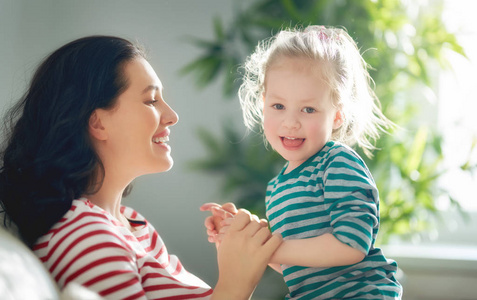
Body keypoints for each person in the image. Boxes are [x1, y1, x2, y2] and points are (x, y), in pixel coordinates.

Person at [0, 35, 282, 300]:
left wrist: (239, 254)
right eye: (151, 100)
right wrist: (236, 282)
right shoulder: (89, 239)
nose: (172, 116)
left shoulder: (133, 225)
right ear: (98, 122)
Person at [202, 25, 403, 299]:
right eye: (278, 106)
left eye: (308, 109)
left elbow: (352, 245)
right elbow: (290, 265)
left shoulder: (337, 163)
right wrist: (239, 237)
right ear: (263, 104)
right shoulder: (277, 187)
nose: (291, 122)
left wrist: (268, 247)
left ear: (336, 115)